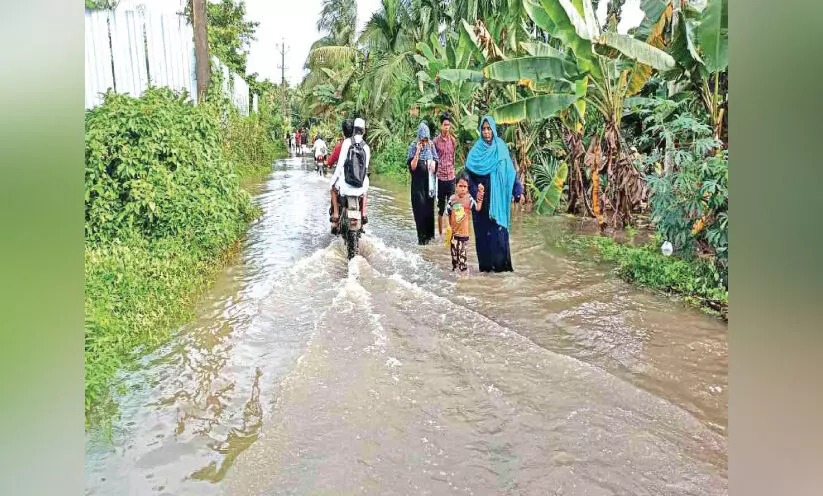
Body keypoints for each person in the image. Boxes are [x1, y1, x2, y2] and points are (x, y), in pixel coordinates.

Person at [465, 116, 525, 272]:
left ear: (493, 130)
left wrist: (518, 192)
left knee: (499, 237)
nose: (486, 132)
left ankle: (501, 275)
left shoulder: (502, 148)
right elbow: (467, 176)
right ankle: (486, 277)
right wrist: (474, 191)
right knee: (483, 239)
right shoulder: (475, 152)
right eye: (483, 129)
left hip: (498, 203)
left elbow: (510, 173)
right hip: (481, 205)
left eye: (488, 128)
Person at [330, 118, 370, 233]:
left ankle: (336, 215)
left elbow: (340, 165)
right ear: (364, 131)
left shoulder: (347, 143)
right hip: (360, 187)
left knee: (332, 188)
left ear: (353, 130)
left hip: (345, 187)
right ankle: (363, 213)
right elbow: (365, 170)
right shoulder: (366, 147)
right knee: (365, 190)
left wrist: (332, 181)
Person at [407, 122, 440, 245]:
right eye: (423, 140)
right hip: (417, 189)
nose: (425, 142)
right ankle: (421, 242)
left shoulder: (431, 145)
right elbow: (412, 167)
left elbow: (436, 159)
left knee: (429, 214)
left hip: (429, 188)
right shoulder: (413, 146)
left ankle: (430, 244)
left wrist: (434, 164)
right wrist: (417, 152)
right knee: (420, 214)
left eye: (427, 139)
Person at [446, 174, 484, 272]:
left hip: (464, 235)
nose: (463, 189)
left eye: (465, 187)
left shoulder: (469, 199)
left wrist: (480, 195)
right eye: (460, 186)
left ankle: (463, 278)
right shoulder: (452, 199)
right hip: (453, 235)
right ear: (456, 187)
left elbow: (478, 208)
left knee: (462, 260)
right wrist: (448, 226)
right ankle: (454, 277)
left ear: (467, 188)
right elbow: (447, 213)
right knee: (454, 260)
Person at [433, 112, 457, 237]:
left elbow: (453, 158)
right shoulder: (435, 142)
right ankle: (441, 234)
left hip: (451, 177)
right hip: (440, 178)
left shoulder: (453, 141)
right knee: (441, 208)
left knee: (452, 206)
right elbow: (433, 158)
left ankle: (451, 234)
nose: (447, 127)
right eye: (445, 125)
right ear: (441, 126)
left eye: (448, 125)